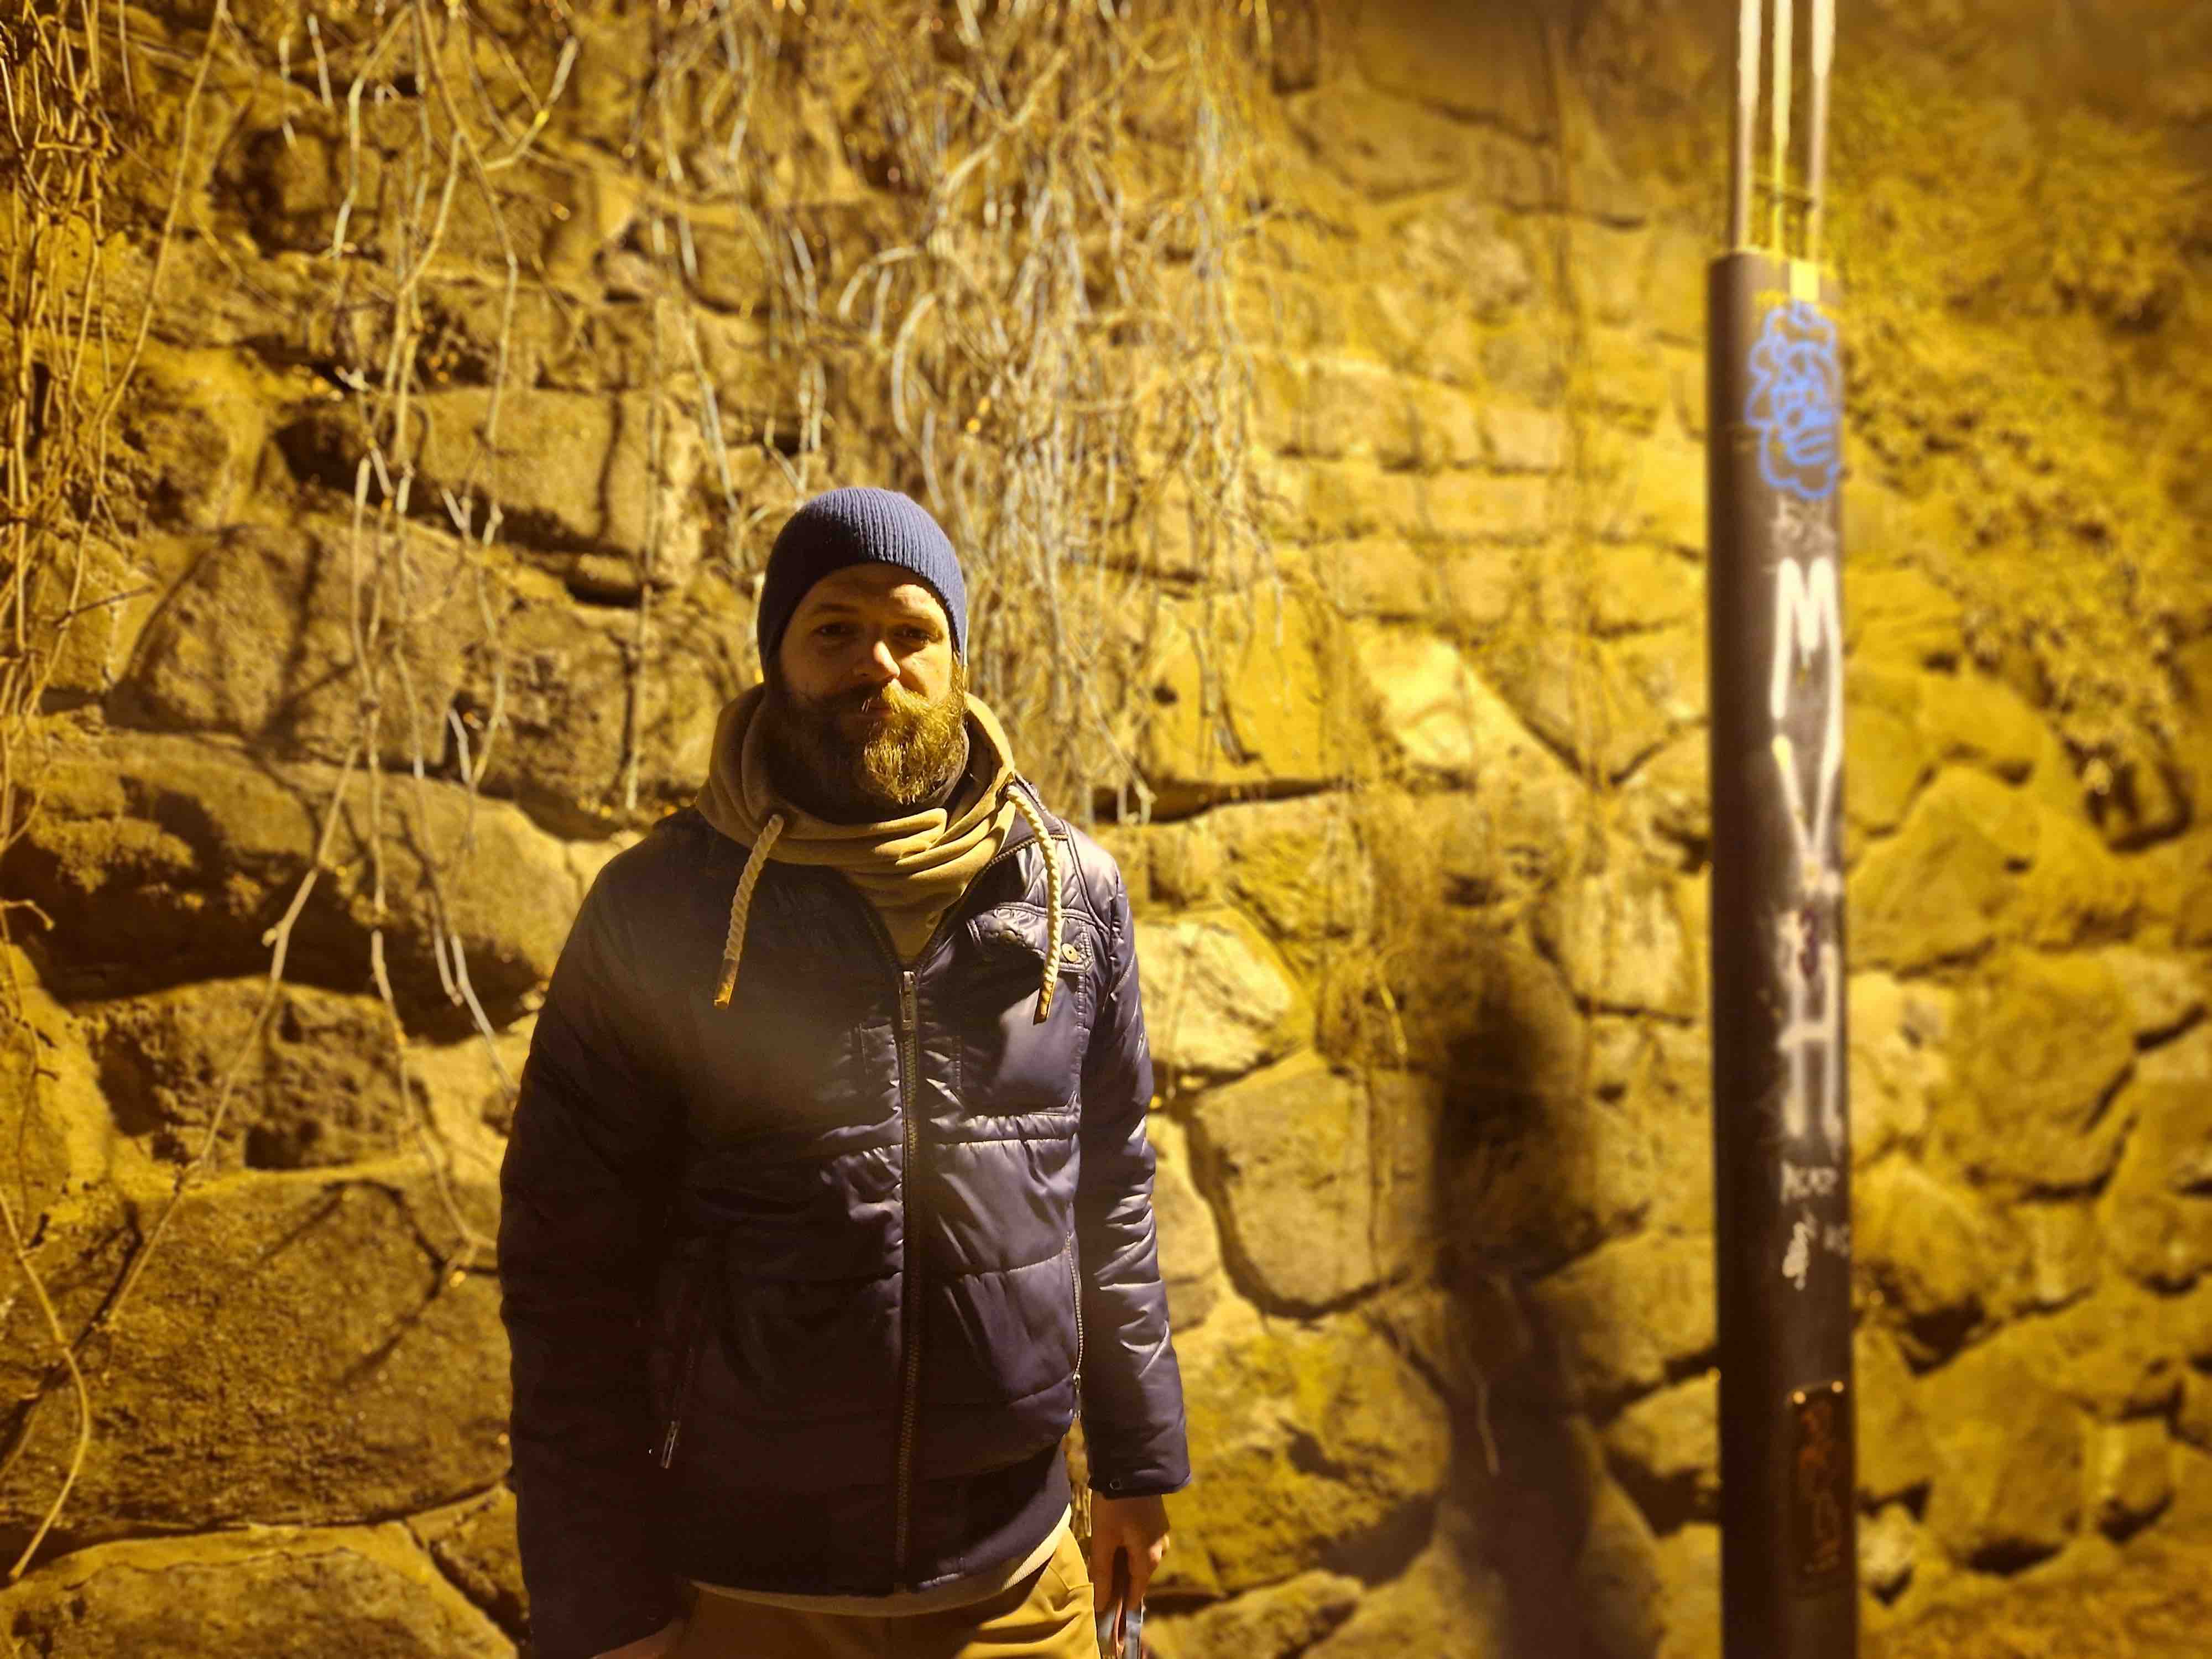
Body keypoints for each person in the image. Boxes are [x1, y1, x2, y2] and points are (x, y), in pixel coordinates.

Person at [497, 485, 1190, 1659]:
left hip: (1016, 1586)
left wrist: (1135, 1466)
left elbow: (1107, 1196)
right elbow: (567, 1271)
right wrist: (602, 1608)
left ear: (956, 659)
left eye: (912, 631)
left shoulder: (1070, 892)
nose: (877, 660)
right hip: (747, 1593)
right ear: (778, 659)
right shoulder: (662, 907)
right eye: (833, 629)